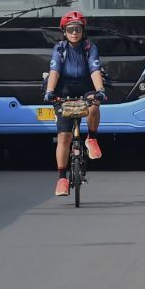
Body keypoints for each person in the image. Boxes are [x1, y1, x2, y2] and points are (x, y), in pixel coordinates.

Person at [44, 11, 108, 196]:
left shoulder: (89, 48)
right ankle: (62, 178)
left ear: (82, 31)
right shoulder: (59, 49)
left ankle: (92, 138)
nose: (74, 32)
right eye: (70, 29)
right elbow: (54, 72)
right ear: (64, 31)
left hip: (85, 87)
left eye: (78, 29)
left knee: (95, 105)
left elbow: (95, 70)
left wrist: (100, 91)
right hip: (62, 90)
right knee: (64, 137)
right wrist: (50, 92)